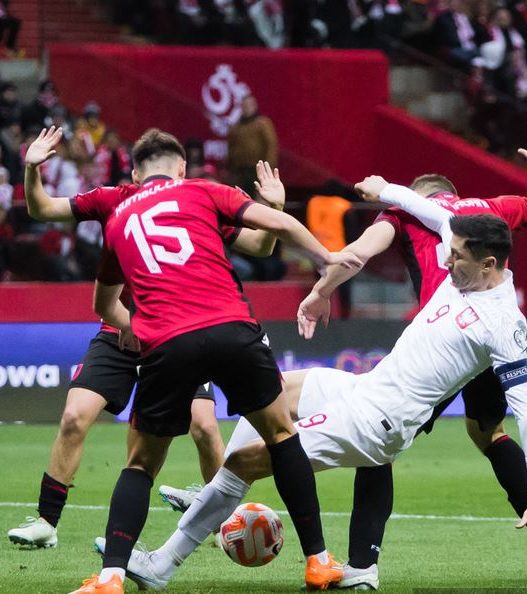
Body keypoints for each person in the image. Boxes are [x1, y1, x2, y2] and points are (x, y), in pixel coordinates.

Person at [97, 213, 527, 592]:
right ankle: (215, 497)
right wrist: (387, 191)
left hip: (378, 420)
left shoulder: (504, 324)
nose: (445, 261)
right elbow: (432, 213)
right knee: (274, 391)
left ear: (488, 264)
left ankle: (163, 563)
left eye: (456, 256)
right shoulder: (467, 270)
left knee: (245, 461)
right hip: (365, 388)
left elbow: (523, 404)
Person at [68, 128, 360, 593]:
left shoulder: (119, 218)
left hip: (167, 342)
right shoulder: (202, 190)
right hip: (232, 329)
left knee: (140, 466)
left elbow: (103, 306)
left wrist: (136, 327)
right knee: (282, 437)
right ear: (181, 168)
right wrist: (326, 259)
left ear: (135, 175)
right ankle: (319, 563)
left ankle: (110, 578)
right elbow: (277, 227)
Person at [6, 126, 284, 550]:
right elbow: (42, 208)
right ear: (135, 175)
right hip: (120, 330)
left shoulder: (195, 202)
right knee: (75, 416)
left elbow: (260, 245)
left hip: (177, 332)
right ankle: (46, 522)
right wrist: (31, 169)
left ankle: (221, 525)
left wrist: (272, 206)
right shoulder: (111, 200)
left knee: (205, 426)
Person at [295, 173, 527, 588]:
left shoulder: (405, 214)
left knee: (378, 446)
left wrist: (322, 289)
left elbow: (358, 253)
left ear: (419, 197)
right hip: (492, 336)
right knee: (488, 432)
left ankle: (363, 565)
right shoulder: (490, 211)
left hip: (441, 349)